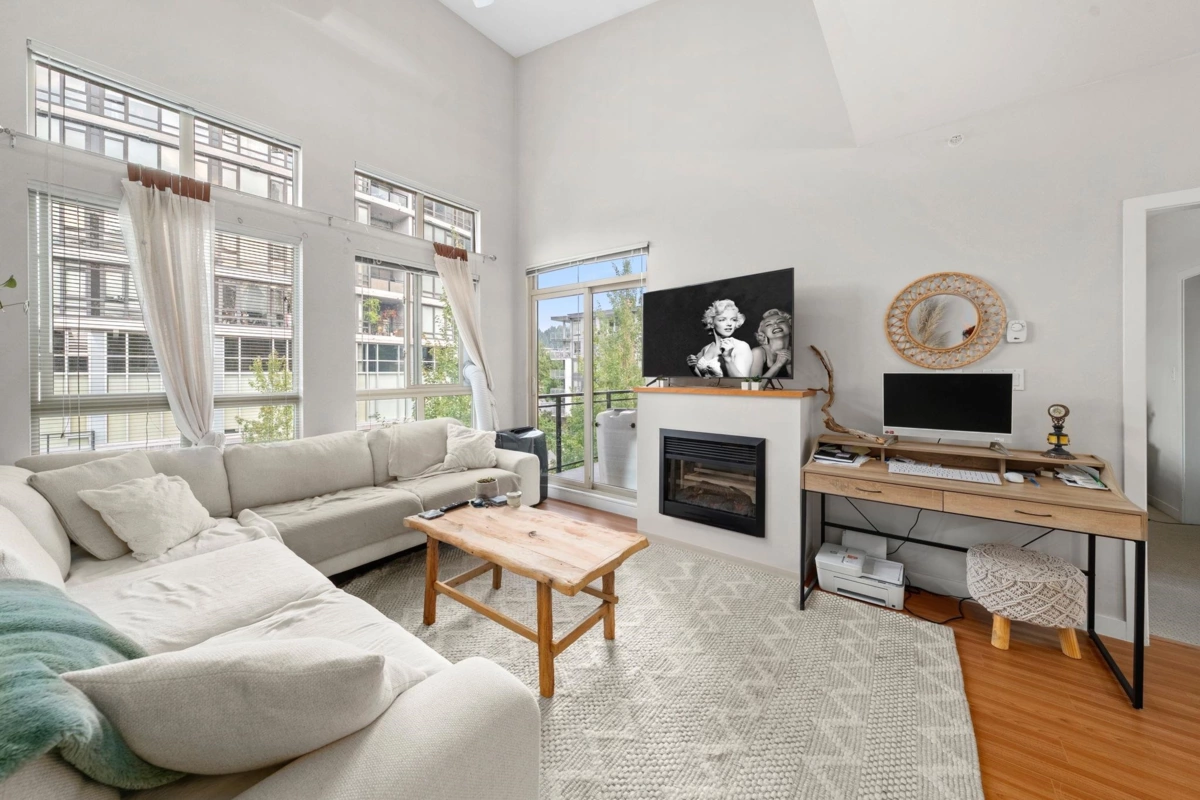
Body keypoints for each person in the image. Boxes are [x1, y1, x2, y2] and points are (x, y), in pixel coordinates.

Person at [687, 299, 752, 378]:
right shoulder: (706, 349)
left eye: (733, 320)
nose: (729, 324)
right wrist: (693, 368)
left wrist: (728, 359)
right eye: (722, 320)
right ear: (711, 323)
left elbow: (742, 383)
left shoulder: (741, 346)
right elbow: (704, 380)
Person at [750, 309, 792, 379]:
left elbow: (800, 383)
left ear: (790, 326)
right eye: (769, 324)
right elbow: (754, 383)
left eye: (780, 321)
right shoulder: (758, 352)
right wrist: (778, 364)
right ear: (763, 333)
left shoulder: (796, 352)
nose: (775, 325)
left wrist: (789, 365)